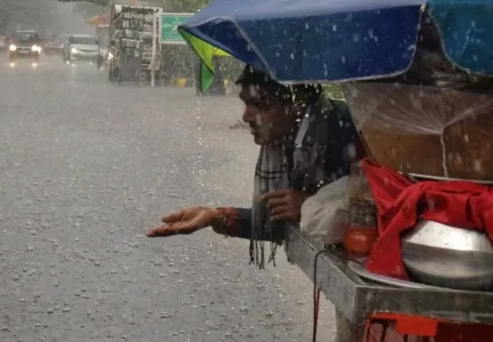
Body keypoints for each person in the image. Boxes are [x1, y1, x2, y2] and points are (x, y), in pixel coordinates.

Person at [147, 65, 365, 267]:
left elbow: (377, 211)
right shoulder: (289, 141)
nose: (246, 116)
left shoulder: (345, 131)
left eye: (260, 104)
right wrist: (213, 215)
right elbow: (274, 222)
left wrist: (309, 206)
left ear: (296, 104)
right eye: (246, 102)